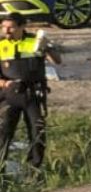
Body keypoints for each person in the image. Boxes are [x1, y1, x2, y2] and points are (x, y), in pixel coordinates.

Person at [0, 16, 58, 171]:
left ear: (22, 27)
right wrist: (4, 83)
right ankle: (0, 169)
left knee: (37, 131)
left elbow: (57, 61)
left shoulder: (34, 41)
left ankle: (34, 168)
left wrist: (47, 47)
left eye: (11, 27)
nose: (6, 31)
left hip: (32, 94)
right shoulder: (1, 44)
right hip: (9, 94)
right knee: (4, 132)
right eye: (4, 27)